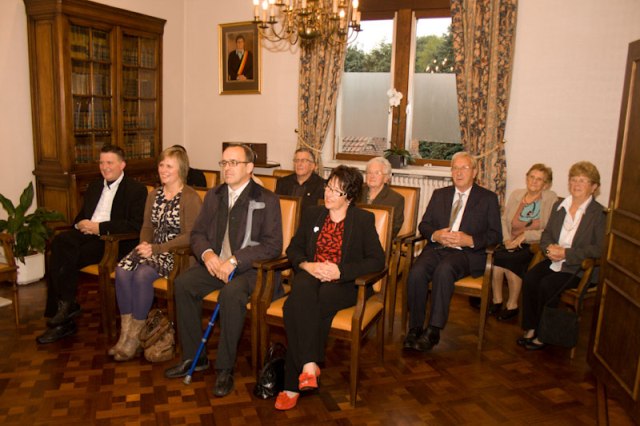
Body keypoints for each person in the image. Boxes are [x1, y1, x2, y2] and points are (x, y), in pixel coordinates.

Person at [164, 143, 282, 398]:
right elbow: (197, 234)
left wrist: (236, 260)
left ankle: (225, 368)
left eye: (233, 163)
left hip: (251, 271)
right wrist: (207, 254)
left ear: (249, 168)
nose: (227, 168)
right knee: (183, 284)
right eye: (224, 163)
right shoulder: (214, 195)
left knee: (230, 294)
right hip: (216, 264)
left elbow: (273, 246)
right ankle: (194, 356)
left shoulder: (267, 199)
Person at [274, 165, 385, 411]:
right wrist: (307, 264)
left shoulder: (362, 220)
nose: (328, 194)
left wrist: (340, 271)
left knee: (295, 308)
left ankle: (292, 383)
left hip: (345, 284)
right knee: (301, 293)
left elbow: (377, 260)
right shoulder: (313, 214)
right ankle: (309, 365)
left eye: (336, 191)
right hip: (312, 275)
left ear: (350, 197)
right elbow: (294, 248)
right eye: (328, 187)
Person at [37, 145, 147, 344]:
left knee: (64, 257)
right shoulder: (95, 186)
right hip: (87, 234)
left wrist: (100, 228)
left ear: (122, 165)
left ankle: (63, 315)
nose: (105, 167)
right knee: (60, 242)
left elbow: (134, 225)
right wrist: (80, 224)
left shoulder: (135, 190)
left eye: (109, 162)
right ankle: (67, 307)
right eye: (101, 162)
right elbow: (82, 216)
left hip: (111, 241)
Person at [109, 146, 203, 361]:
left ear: (181, 169)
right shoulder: (154, 194)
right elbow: (147, 227)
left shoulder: (190, 197)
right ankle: (126, 334)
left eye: (169, 166)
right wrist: (144, 245)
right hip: (152, 248)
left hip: (177, 254)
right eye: (161, 165)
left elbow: (191, 236)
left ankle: (135, 338)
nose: (163, 170)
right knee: (122, 270)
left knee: (142, 275)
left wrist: (157, 249)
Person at [403, 151, 502, 352]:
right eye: (455, 168)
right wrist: (436, 235)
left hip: (465, 254)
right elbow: (424, 225)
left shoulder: (488, 198)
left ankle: (433, 329)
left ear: (474, 172)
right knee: (417, 272)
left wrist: (470, 240)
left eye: (464, 168)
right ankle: (415, 327)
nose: (459, 172)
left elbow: (495, 235)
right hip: (437, 248)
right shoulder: (440, 194)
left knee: (444, 270)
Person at [518, 161, 606, 350]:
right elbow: (547, 234)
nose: (576, 184)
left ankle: (544, 333)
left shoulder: (599, 214)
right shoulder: (560, 205)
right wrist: (549, 249)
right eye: (573, 179)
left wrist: (566, 253)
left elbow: (599, 249)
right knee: (531, 278)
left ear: (594, 187)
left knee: (547, 284)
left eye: (582, 180)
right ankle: (531, 327)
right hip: (554, 260)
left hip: (578, 267)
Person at [489, 164, 557, 321]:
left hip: (532, 245)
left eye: (539, 179)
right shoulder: (517, 195)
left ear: (546, 184)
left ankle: (512, 305)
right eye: (532, 177)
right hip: (510, 241)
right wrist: (507, 239)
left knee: (511, 262)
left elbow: (549, 230)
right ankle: (497, 300)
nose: (534, 181)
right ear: (527, 178)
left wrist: (525, 236)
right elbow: (504, 220)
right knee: (496, 260)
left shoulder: (550, 199)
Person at [358, 157, 405, 238]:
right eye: (369, 172)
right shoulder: (356, 192)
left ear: (386, 178)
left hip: (378, 239)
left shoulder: (396, 199)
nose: (372, 176)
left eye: (377, 173)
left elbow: (394, 229)